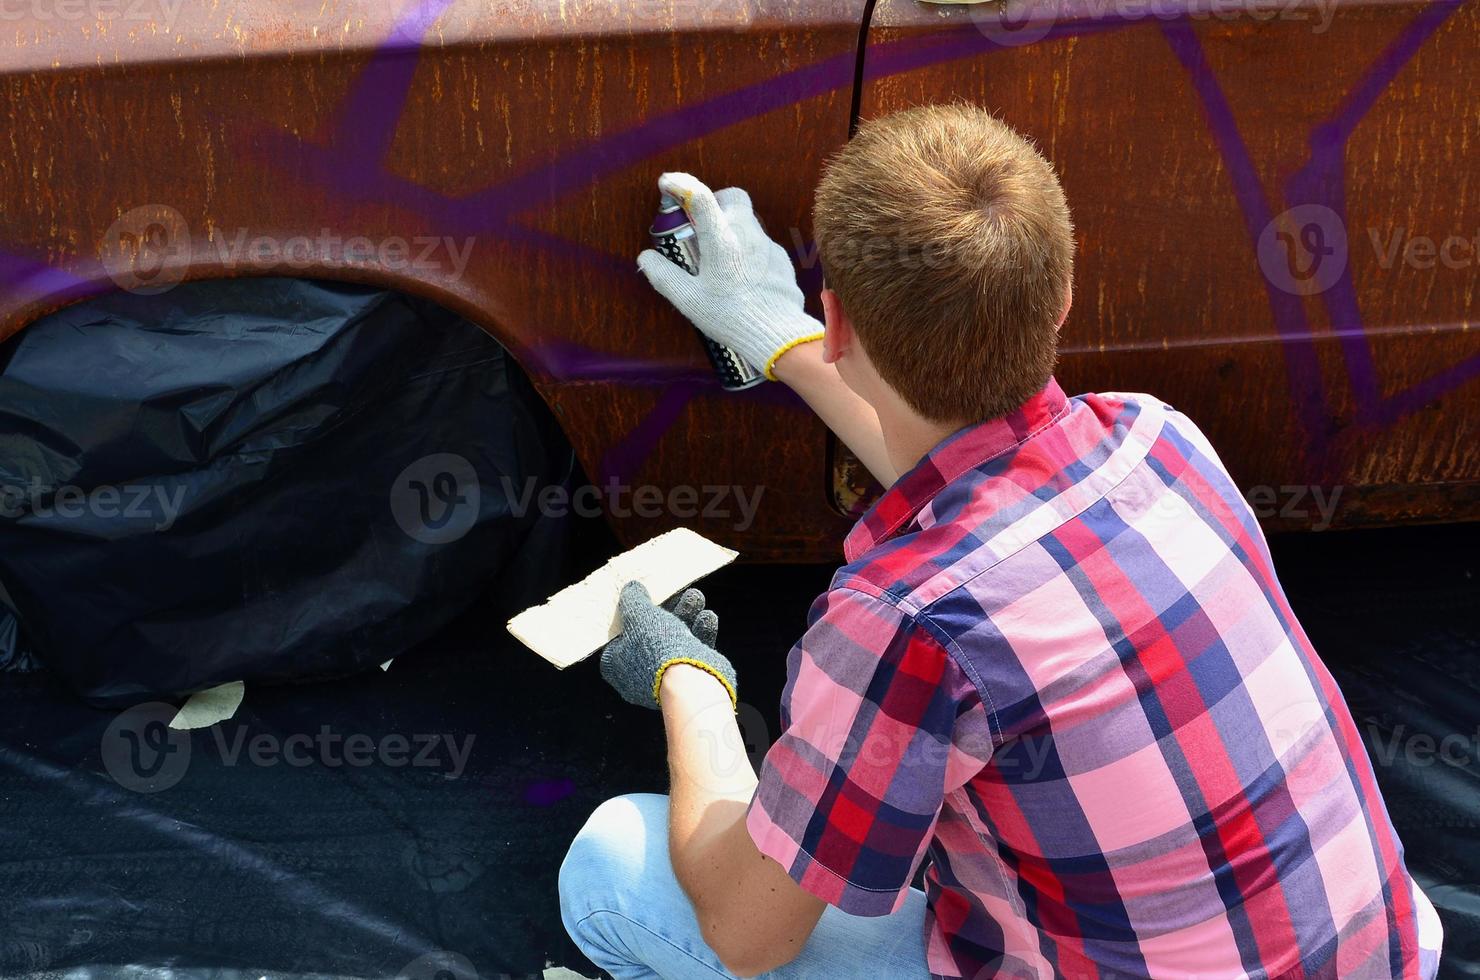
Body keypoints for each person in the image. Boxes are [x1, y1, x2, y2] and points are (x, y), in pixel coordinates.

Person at [557, 104, 1443, 979]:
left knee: (610, 866)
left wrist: (690, 684)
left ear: (839, 320)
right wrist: (773, 335)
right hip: (1381, 957)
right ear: (1060, 293)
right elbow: (975, 477)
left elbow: (747, 935)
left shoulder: (904, 624)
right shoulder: (1158, 438)